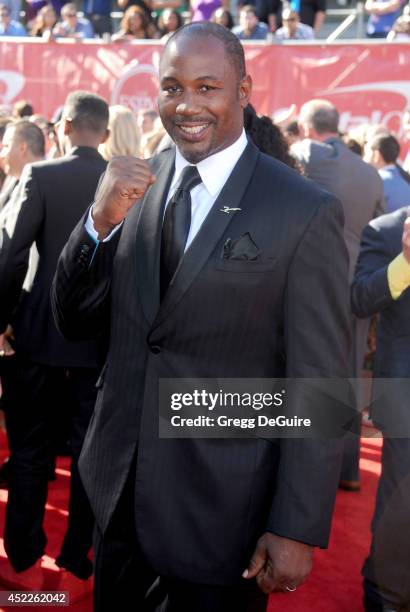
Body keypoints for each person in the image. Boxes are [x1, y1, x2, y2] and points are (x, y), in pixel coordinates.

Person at [52, 22, 350, 612]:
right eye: (171, 87)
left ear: (243, 89)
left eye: (207, 87)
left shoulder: (302, 209)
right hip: (116, 498)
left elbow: (319, 381)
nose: (187, 105)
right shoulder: (135, 182)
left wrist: (296, 525)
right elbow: (74, 319)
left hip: (223, 513)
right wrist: (98, 224)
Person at [0, 91, 109, 580]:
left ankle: (22, 556)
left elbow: (11, 255)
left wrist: (3, 318)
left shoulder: (40, 176)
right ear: (103, 133)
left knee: (28, 452)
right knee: (90, 456)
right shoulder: (127, 180)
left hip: (38, 338)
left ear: (63, 126)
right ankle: (77, 555)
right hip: (98, 346)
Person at [292, 99, 385, 491]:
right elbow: (376, 230)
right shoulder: (369, 173)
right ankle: (346, 470)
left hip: (307, 287)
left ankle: (302, 471)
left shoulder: (301, 155)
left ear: (308, 127)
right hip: (355, 287)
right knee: (347, 376)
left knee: (301, 374)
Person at [351, 209, 410, 611]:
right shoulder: (386, 229)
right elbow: (359, 298)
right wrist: (405, 263)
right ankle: (385, 596)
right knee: (401, 503)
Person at [364, 132, 410, 213]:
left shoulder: (376, 181)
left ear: (376, 155)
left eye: (366, 153)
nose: (364, 158)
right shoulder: (405, 179)